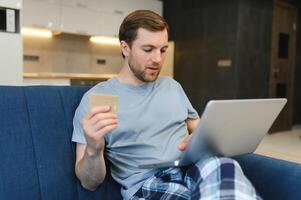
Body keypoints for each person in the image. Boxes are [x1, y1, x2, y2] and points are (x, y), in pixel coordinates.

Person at [72, 10, 261, 200]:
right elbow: (89, 182)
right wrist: (94, 149)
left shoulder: (172, 86)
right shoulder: (98, 98)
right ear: (125, 48)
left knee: (225, 166)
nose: (158, 59)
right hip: (147, 184)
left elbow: (202, 131)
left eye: (163, 50)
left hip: (193, 167)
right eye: (148, 49)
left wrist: (202, 140)